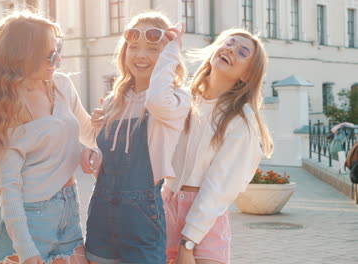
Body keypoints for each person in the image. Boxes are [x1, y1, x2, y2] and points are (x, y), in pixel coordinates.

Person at [0, 11, 96, 264]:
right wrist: (27, 252)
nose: (58, 58)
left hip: (68, 210)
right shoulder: (6, 107)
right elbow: (9, 189)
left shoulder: (62, 86)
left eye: (58, 49)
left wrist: (115, 117)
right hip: (28, 219)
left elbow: (92, 135)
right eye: (50, 54)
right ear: (22, 56)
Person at [80, 12, 190, 264]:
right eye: (133, 47)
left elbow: (156, 100)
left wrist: (172, 50)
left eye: (153, 49)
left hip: (142, 214)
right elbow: (102, 151)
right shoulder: (113, 100)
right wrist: (91, 150)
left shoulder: (176, 99)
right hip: (101, 210)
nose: (140, 55)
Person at [163, 28, 274, 264]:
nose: (231, 49)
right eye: (229, 43)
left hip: (205, 222)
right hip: (165, 209)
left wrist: (188, 241)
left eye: (242, 52)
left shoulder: (240, 119)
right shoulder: (184, 99)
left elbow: (219, 187)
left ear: (247, 75)